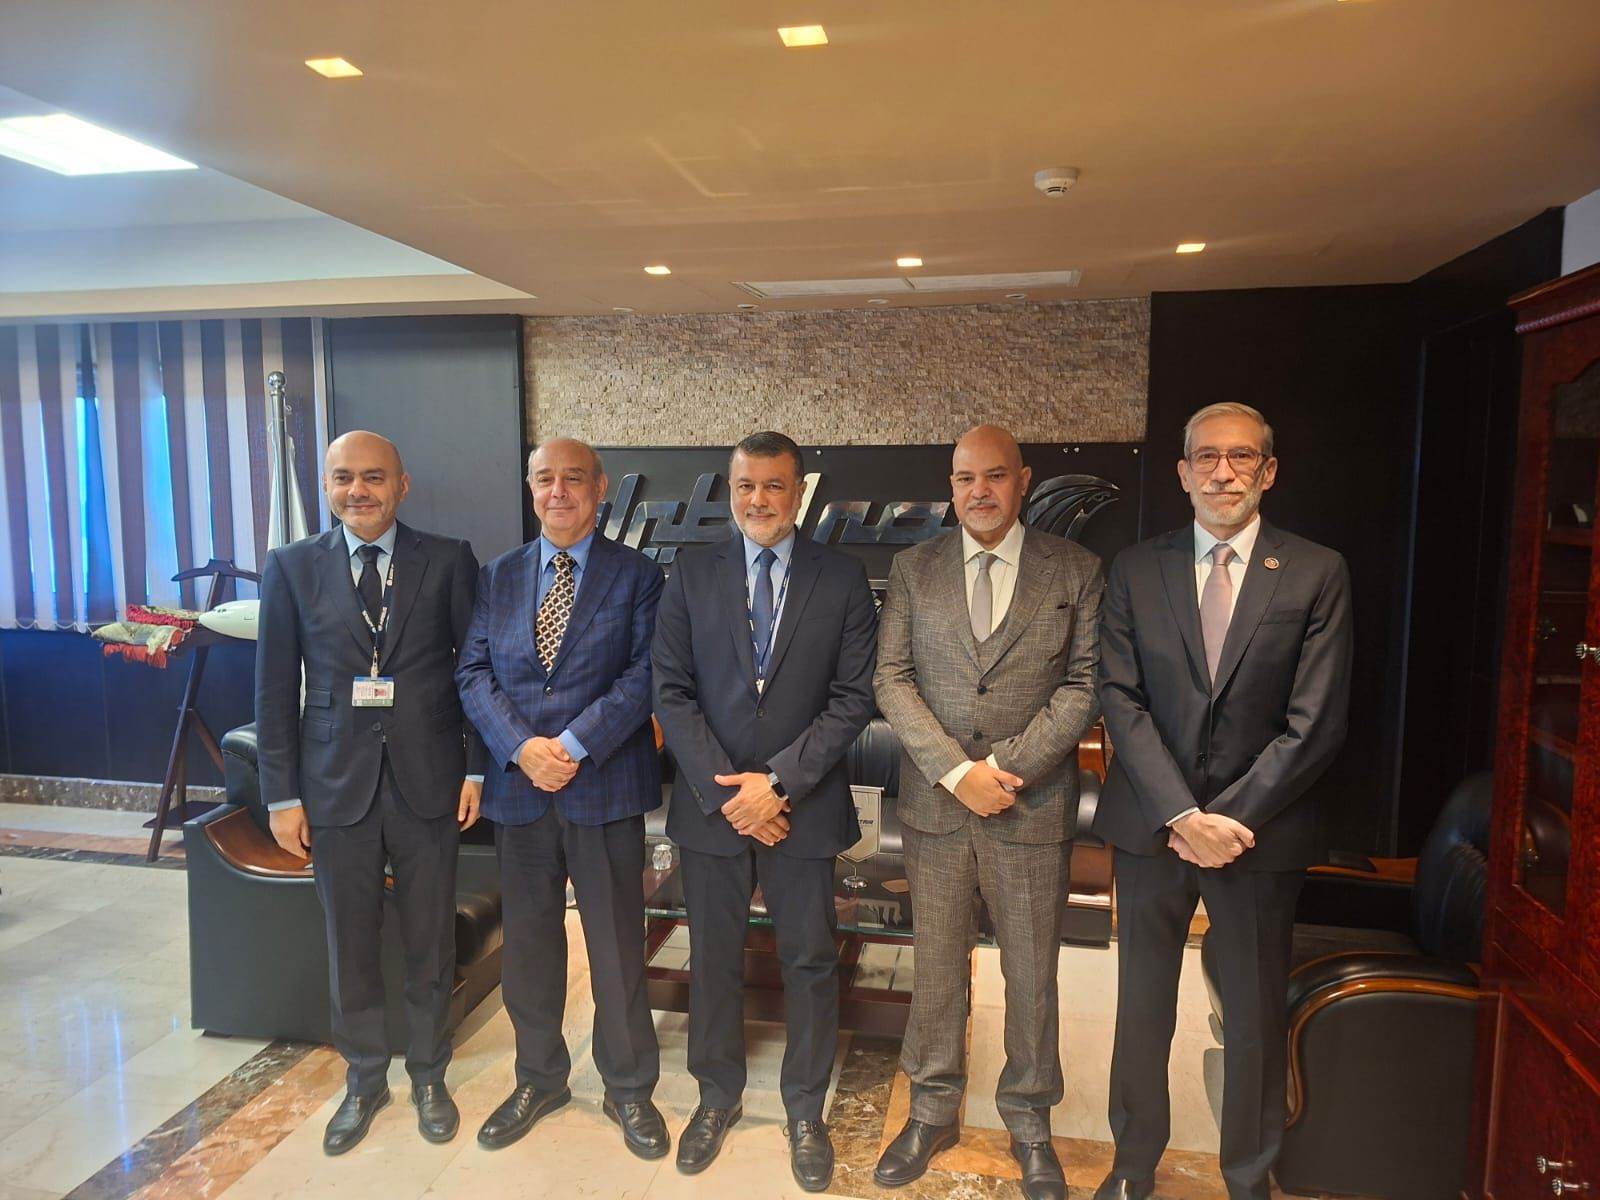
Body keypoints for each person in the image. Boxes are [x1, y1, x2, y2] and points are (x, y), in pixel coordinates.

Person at [1092, 402, 1353, 1200]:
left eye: (1241, 458)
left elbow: (1316, 721)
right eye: (1206, 457)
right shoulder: (1136, 569)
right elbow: (1120, 699)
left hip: (1259, 835)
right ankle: (1134, 1164)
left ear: (1268, 471)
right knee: (1142, 1008)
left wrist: (1228, 821)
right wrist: (1182, 814)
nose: (1223, 473)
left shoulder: (1315, 571)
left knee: (1253, 1019)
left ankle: (1247, 1177)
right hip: (1153, 829)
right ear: (1182, 472)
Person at [871, 424, 1103, 1200]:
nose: (980, 491)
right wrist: (954, 771)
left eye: (995, 476)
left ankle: (1030, 1121)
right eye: (966, 478)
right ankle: (931, 1111)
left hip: (1028, 807)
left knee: (1032, 974)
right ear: (951, 485)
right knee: (937, 968)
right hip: (937, 808)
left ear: (1023, 480)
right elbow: (892, 679)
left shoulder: (1075, 569)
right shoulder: (915, 568)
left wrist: (1003, 769)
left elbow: (1084, 685)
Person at [651, 430, 877, 1193]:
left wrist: (776, 786)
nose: (759, 500)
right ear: (731, 489)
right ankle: (716, 1097)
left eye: (774, 485)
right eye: (746, 485)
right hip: (712, 810)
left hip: (801, 809)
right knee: (712, 959)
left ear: (798, 492)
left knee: (809, 960)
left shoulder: (842, 578)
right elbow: (671, 691)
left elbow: (853, 699)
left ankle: (805, 1110)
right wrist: (733, 797)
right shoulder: (690, 573)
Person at [256, 430, 484, 1154]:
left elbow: (477, 671)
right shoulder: (291, 566)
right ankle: (363, 1080)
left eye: (374, 477)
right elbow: (273, 688)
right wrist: (280, 797)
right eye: (343, 477)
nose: (358, 490)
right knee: (349, 943)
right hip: (332, 786)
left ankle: (429, 1075)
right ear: (327, 486)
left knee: (429, 942)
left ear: (402, 485)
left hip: (431, 782)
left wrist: (476, 769)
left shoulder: (448, 559)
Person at [455, 438, 668, 1159]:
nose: (557, 492)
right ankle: (539, 1078)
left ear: (599, 488)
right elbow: (474, 672)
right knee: (529, 949)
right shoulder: (500, 575)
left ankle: (628, 1087)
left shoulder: (639, 575)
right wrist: (522, 748)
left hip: (603, 786)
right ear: (531, 488)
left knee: (616, 948)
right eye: (544, 479)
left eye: (572, 479)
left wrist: (572, 746)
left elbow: (645, 674)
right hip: (521, 791)